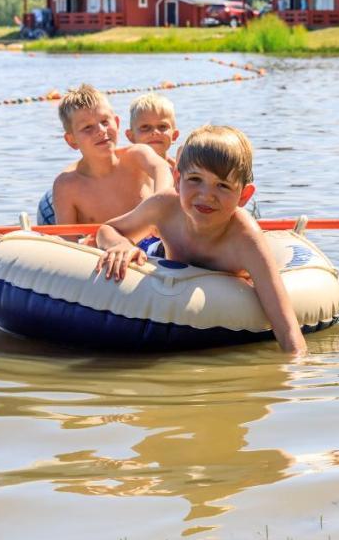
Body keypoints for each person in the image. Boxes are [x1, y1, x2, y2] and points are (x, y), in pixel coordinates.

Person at [94, 125, 308, 356]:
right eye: (195, 179)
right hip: (160, 258)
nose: (206, 195)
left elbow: (287, 330)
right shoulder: (165, 206)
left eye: (223, 185)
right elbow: (107, 229)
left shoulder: (245, 240)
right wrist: (121, 244)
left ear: (244, 196)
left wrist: (294, 377)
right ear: (177, 179)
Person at [50, 84, 173, 225]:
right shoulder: (67, 186)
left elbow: (162, 168)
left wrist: (158, 205)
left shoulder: (138, 156)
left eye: (104, 122)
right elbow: (67, 238)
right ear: (71, 140)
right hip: (104, 245)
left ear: (117, 122)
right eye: (87, 127)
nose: (101, 130)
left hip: (151, 241)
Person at [125, 92, 179, 168]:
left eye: (162, 126)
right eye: (145, 127)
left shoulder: (180, 172)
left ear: (174, 135)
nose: (155, 132)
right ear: (131, 136)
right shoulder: (126, 172)